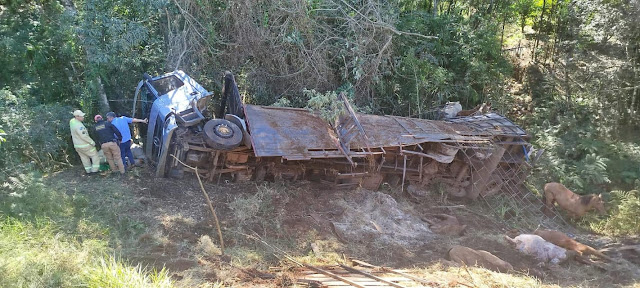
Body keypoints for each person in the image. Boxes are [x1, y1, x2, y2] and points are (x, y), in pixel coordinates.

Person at [70, 110, 100, 175]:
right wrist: (92, 142)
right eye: (82, 116)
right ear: (77, 117)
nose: (83, 117)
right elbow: (84, 136)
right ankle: (95, 171)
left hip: (77, 146)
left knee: (84, 158)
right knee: (95, 156)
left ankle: (88, 171)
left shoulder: (72, 122)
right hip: (85, 145)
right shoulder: (79, 126)